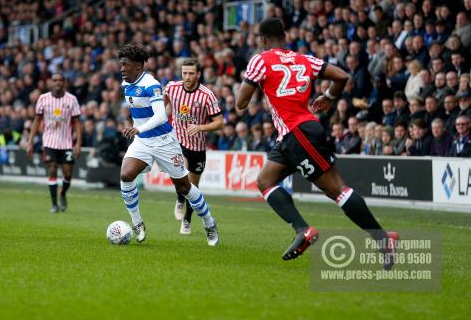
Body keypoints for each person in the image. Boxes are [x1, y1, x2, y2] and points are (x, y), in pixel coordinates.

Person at [236, 18, 397, 268]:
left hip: (298, 132)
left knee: (337, 190)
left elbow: (241, 102)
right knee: (265, 181)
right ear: (285, 35)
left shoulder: (260, 60)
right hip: (293, 133)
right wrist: (330, 97)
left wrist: (255, 83)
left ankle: (383, 239)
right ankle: (302, 230)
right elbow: (341, 76)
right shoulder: (304, 59)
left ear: (263, 39)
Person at [117, 44, 218, 246]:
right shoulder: (125, 83)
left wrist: (139, 128)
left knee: (184, 187)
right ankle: (137, 223)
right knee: (126, 175)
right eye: (121, 64)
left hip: (164, 142)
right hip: (142, 141)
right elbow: (139, 113)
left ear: (137, 66)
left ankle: (209, 222)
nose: (121, 69)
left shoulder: (151, 84)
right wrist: (137, 129)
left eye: (125, 65)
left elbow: (162, 116)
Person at [164, 57, 223, 234]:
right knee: (179, 172)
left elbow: (219, 122)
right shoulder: (172, 88)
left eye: (191, 73)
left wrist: (200, 127)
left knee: (193, 187)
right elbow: (164, 103)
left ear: (198, 74)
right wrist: (164, 117)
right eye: (184, 73)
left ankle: (187, 219)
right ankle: (179, 199)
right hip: (177, 140)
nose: (187, 76)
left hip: (197, 146)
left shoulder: (207, 95)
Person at [27, 73, 81, 213]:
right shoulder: (43, 99)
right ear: (51, 82)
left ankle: (62, 193)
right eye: (55, 80)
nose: (58, 83)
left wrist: (78, 144)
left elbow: (76, 123)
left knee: (67, 174)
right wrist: (30, 142)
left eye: (60, 80)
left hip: (67, 143)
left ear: (64, 83)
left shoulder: (72, 100)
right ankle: (54, 204)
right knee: (52, 168)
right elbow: (37, 121)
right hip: (49, 141)